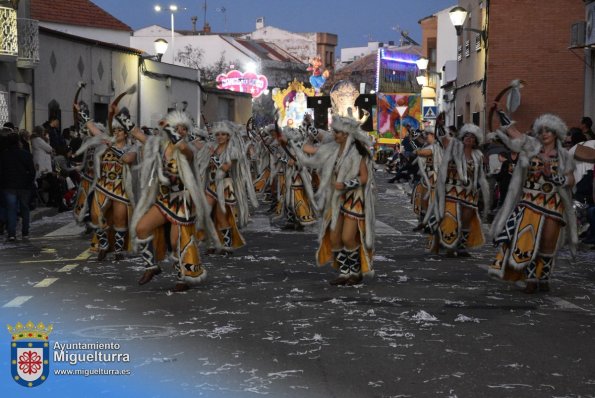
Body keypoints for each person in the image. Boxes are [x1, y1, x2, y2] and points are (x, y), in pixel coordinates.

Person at [282, 113, 376, 286]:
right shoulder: (332, 148)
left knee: (348, 237)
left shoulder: (358, 152)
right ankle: (344, 272)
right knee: (334, 238)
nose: (335, 135)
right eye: (334, 132)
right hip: (336, 199)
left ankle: (355, 272)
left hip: (354, 199)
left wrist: (347, 184)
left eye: (338, 132)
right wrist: (289, 142)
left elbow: (364, 177)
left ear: (347, 134)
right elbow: (311, 150)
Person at [489, 114, 577, 293]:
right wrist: (500, 113)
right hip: (529, 202)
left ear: (556, 134)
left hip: (553, 203)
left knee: (547, 244)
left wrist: (554, 176)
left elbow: (571, 179)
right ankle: (530, 279)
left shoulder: (564, 155)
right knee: (528, 241)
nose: (545, 134)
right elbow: (513, 132)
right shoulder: (531, 148)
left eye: (549, 131)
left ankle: (543, 278)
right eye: (542, 131)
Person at [130, 110, 216, 291]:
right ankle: (152, 266)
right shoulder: (160, 146)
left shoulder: (190, 148)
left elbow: (183, 148)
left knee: (177, 241)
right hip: (164, 199)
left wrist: (169, 128)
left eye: (184, 128)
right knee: (141, 228)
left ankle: (182, 276)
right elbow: (138, 134)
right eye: (178, 128)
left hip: (183, 201)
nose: (181, 131)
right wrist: (118, 116)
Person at [77, 104, 137, 261]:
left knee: (120, 219)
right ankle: (103, 244)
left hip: (121, 187)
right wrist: (81, 112)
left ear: (125, 134)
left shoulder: (133, 147)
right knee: (96, 217)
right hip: (102, 186)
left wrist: (113, 148)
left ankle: (118, 250)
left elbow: (127, 159)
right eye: (115, 131)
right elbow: (92, 128)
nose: (116, 133)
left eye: (119, 131)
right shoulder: (106, 141)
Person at [193, 120, 258, 254]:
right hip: (212, 185)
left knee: (221, 217)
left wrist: (213, 156)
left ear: (228, 136)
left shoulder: (233, 151)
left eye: (223, 134)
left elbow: (225, 167)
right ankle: (210, 243)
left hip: (225, 186)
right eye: (218, 134)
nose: (220, 137)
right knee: (205, 213)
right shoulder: (212, 147)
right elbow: (196, 146)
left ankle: (226, 245)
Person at [427, 124, 490, 257]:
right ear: (462, 138)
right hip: (452, 190)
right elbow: (445, 140)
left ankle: (462, 248)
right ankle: (449, 246)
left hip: (469, 193)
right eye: (467, 136)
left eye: (472, 137)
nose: (469, 139)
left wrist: (481, 190)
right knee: (450, 218)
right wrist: (441, 127)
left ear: (476, 141)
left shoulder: (478, 155)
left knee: (466, 220)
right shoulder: (454, 149)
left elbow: (480, 175)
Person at [0, 133, 35, 241]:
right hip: (24, 185)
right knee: (25, 208)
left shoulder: (3, 155)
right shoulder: (26, 154)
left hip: (9, 186)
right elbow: (32, 171)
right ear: (18, 141)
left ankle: (11, 233)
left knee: (11, 209)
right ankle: (25, 232)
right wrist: (29, 182)